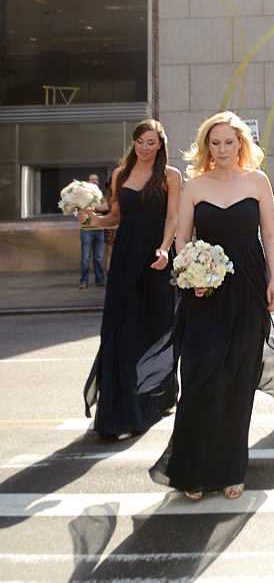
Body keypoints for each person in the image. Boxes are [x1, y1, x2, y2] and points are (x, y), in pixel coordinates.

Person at [150, 111, 274, 500]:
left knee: (237, 379)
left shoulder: (258, 181)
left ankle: (231, 468)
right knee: (200, 375)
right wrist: (192, 278)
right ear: (206, 146)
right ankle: (191, 470)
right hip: (205, 293)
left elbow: (271, 235)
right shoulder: (195, 185)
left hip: (247, 286)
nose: (223, 149)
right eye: (215, 142)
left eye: (230, 142)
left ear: (241, 144)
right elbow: (182, 239)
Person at [81, 120, 181, 440]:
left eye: (151, 142)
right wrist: (90, 220)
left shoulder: (171, 176)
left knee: (157, 327)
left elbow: (173, 217)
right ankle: (120, 413)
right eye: (140, 141)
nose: (145, 147)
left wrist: (165, 250)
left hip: (155, 259)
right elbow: (115, 217)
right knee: (122, 331)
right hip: (125, 258)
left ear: (160, 144)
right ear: (134, 142)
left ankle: (161, 394)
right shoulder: (120, 175)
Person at [78, 173, 107, 288]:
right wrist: (96, 207)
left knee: (98, 257)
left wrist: (92, 208)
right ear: (88, 181)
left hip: (99, 230)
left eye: (96, 179)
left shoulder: (101, 196)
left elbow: (106, 207)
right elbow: (80, 209)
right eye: (92, 179)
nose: (94, 181)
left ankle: (100, 279)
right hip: (86, 230)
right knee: (85, 258)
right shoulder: (82, 196)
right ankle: (83, 281)